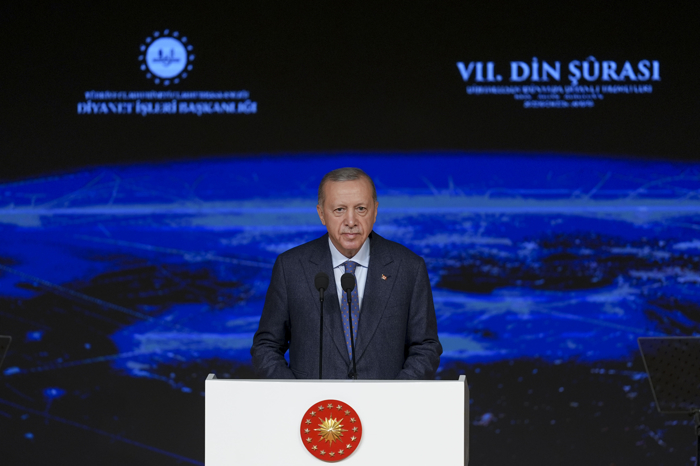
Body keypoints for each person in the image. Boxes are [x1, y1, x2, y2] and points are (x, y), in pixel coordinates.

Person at [251, 167, 442, 379]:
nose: (351, 221)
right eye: (339, 210)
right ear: (321, 214)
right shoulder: (291, 267)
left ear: (375, 211)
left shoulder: (408, 267)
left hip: (386, 400)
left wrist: (394, 394)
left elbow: (426, 347)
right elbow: (266, 346)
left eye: (361, 209)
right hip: (313, 401)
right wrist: (295, 393)